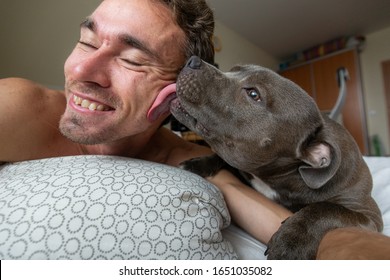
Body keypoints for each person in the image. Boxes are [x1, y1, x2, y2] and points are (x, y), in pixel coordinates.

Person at [0, 0, 387, 259]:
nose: (80, 72)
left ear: (176, 88)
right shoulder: (19, 107)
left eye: (133, 59)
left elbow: (322, 241)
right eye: (87, 42)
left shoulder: (194, 159)